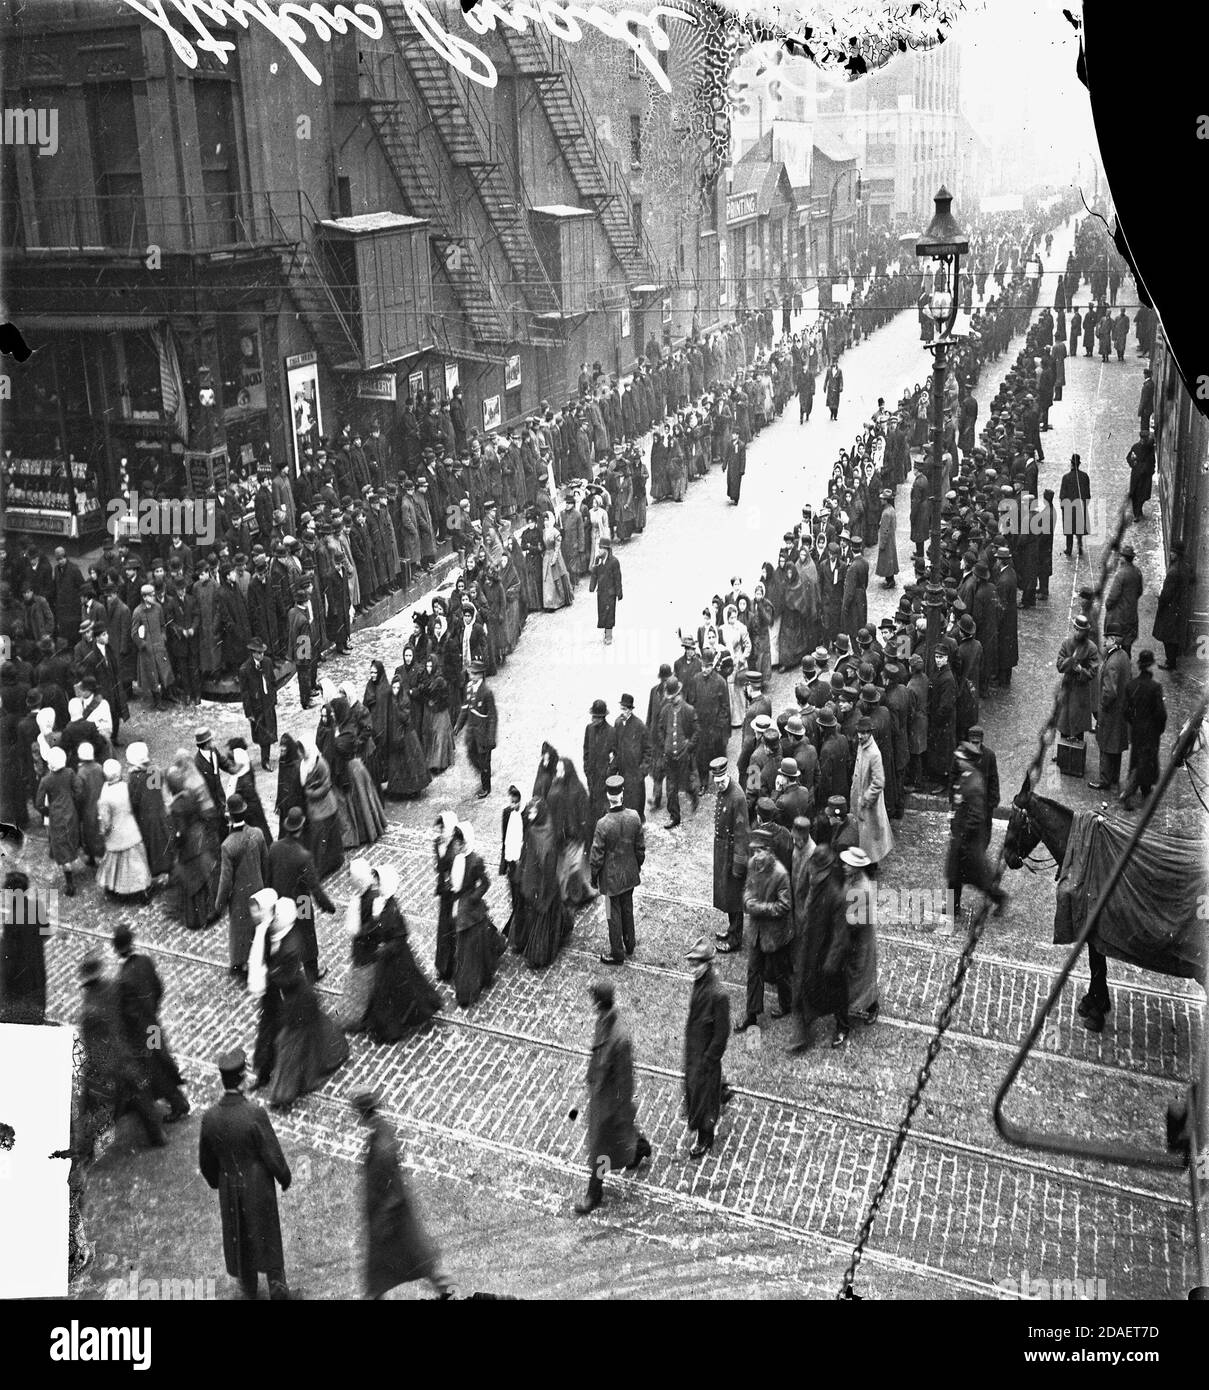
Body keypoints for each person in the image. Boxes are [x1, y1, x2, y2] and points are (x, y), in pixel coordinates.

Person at [198, 1046, 293, 1300]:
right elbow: (271, 1153)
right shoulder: (254, 1114)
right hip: (258, 1184)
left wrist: (218, 1181)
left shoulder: (210, 1118)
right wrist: (284, 1177)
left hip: (229, 1185)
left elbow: (206, 1162)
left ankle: (248, 1287)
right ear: (242, 1079)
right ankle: (277, 1287)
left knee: (239, 1235)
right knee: (267, 1233)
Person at [351, 1090, 456, 1300]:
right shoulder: (382, 1129)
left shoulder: (381, 1146)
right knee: (421, 1261)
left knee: (407, 1264)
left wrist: (381, 1223)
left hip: (390, 1221)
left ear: (362, 1112)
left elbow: (390, 1189)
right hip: (393, 1218)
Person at [261, 894, 348, 1110]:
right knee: (305, 1036)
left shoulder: (290, 944)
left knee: (290, 1045)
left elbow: (285, 976)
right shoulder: (281, 936)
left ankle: (284, 1093)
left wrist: (267, 973)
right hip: (295, 998)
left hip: (296, 1000)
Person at [573, 979, 652, 1215]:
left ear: (601, 1002)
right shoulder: (604, 1021)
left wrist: (621, 1109)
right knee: (619, 1137)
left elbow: (625, 1081)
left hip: (611, 1103)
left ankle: (594, 1194)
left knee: (600, 1150)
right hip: (602, 1097)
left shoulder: (620, 1037)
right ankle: (640, 1148)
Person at [77, 954, 166, 1153]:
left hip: (105, 1066)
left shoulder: (87, 1012)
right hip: (126, 1057)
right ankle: (157, 1136)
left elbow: (92, 1048)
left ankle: (86, 1148)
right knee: (142, 1096)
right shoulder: (114, 988)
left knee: (94, 1107)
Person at [112, 921, 189, 1122]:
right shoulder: (145, 961)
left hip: (141, 1034)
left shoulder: (124, 979)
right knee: (158, 1062)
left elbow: (127, 1014)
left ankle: (178, 1104)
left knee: (154, 1068)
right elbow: (158, 988)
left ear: (116, 948)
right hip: (152, 1025)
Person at [364, 865, 443, 1039]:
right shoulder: (379, 902)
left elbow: (400, 937)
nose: (375, 884)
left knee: (400, 988)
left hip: (395, 958)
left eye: (378, 881)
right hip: (385, 956)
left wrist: (383, 948)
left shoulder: (392, 909)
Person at [734, 825, 793, 1032]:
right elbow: (748, 888)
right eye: (754, 851)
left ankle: (787, 1004)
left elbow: (785, 906)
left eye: (760, 851)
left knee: (780, 973)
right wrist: (748, 901)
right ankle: (752, 1016)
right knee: (753, 971)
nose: (756, 856)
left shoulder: (781, 874)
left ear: (769, 851)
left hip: (775, 934)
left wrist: (758, 908)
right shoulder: (752, 865)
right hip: (757, 932)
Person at [269, 806, 336, 984]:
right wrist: (328, 906)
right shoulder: (303, 856)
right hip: (301, 901)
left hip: (280, 899)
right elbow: (314, 887)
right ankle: (312, 973)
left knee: (283, 935)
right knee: (308, 936)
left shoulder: (274, 847)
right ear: (301, 827)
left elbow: (268, 875)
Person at [945, 742, 1008, 921]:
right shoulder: (967, 776)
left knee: (980, 879)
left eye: (960, 759)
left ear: (968, 761)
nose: (957, 761)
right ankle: (953, 907)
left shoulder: (973, 783)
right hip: (961, 837)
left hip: (968, 841)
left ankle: (1000, 898)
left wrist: (963, 837)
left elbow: (976, 816)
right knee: (954, 875)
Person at [212, 794, 270, 978]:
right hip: (258, 887)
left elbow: (225, 880)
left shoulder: (228, 846)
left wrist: (218, 904)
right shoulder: (257, 834)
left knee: (240, 932)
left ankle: (241, 963)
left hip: (240, 896)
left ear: (229, 816)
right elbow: (265, 863)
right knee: (258, 925)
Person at [682, 936, 730, 1158]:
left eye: (697, 965)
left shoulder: (718, 994)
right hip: (695, 1051)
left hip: (705, 1058)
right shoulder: (702, 982)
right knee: (699, 1093)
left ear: (707, 964)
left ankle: (705, 1138)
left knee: (705, 1099)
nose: (693, 969)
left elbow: (721, 1034)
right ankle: (721, 1088)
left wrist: (709, 1060)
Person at [590, 773, 645, 965]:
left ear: (608, 796)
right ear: (622, 793)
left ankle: (617, 952)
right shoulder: (634, 817)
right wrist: (636, 866)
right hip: (629, 875)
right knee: (627, 908)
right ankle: (630, 943)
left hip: (610, 880)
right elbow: (640, 850)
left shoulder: (602, 824)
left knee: (612, 914)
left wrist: (593, 877)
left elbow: (596, 857)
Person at [96, 759, 152, 902]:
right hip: (131, 830)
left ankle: (112, 888)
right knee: (137, 864)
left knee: (113, 865)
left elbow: (106, 821)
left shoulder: (105, 795)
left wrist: (103, 831)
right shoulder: (126, 787)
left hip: (115, 834)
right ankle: (142, 892)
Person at [710, 757, 749, 953]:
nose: (719, 786)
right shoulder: (724, 791)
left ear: (728, 775)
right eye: (716, 782)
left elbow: (742, 833)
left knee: (735, 896)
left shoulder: (738, 797)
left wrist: (739, 864)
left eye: (721, 781)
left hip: (733, 854)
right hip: (723, 851)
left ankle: (735, 938)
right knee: (727, 893)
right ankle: (731, 928)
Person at [1120, 650, 1167, 810]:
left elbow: (1125, 710)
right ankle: (1133, 791)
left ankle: (1138, 787)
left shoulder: (1131, 685)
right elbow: (1161, 713)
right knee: (1148, 760)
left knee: (1137, 758)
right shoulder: (1155, 687)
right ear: (1151, 666)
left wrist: (1134, 722)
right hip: (1151, 731)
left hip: (1137, 729)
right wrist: (1159, 729)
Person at [338, 858, 379, 1033]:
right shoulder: (367, 894)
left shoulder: (368, 898)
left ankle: (359, 1019)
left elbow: (365, 927)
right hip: (365, 949)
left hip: (366, 950)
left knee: (363, 983)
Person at [839, 847, 879, 1025]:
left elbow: (859, 919)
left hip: (860, 939)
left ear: (856, 867)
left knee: (863, 974)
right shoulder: (852, 880)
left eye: (848, 865)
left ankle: (872, 1006)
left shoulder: (863, 888)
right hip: (852, 936)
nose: (844, 866)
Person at [1089, 628, 1131, 793]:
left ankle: (1104, 779)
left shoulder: (1112, 662)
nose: (1104, 641)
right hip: (1121, 710)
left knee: (1106, 744)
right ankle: (1114, 776)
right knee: (1116, 744)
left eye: (1107, 639)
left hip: (1110, 711)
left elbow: (1110, 691)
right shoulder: (1123, 656)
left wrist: (1102, 707)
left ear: (1113, 640)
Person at [850, 716, 893, 872]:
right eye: (859, 732)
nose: (860, 736)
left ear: (870, 733)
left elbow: (879, 782)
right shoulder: (862, 746)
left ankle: (871, 867)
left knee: (871, 837)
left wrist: (866, 799)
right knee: (864, 835)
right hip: (860, 796)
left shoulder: (874, 753)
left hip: (869, 803)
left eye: (864, 733)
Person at [656, 675, 697, 828]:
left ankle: (693, 795)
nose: (672, 700)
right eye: (670, 697)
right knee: (671, 788)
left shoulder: (689, 710)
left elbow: (696, 731)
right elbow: (660, 729)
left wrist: (689, 746)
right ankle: (675, 816)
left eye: (674, 697)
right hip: (669, 756)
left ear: (679, 694)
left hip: (683, 755)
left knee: (686, 783)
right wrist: (664, 744)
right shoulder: (665, 710)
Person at [454, 661, 497, 799]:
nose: (470, 675)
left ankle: (486, 787)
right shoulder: (469, 687)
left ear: (480, 675)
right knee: (471, 754)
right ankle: (484, 772)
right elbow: (465, 708)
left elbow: (492, 717)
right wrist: (458, 726)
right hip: (472, 731)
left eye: (473, 673)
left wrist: (491, 737)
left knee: (484, 761)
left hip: (483, 733)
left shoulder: (487, 692)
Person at [238, 637, 278, 772]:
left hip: (268, 703)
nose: (262, 655)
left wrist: (274, 699)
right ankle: (265, 760)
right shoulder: (245, 669)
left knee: (270, 731)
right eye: (259, 653)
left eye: (263, 652)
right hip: (256, 706)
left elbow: (272, 681)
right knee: (262, 734)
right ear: (253, 653)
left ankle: (266, 757)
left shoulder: (267, 662)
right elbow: (244, 693)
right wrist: (248, 712)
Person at [1153, 541, 1191, 670]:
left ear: (1177, 554)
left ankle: (1170, 662)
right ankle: (1172, 660)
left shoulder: (1173, 571)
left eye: (1173, 552)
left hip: (1170, 607)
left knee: (1167, 636)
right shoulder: (1185, 567)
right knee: (1174, 635)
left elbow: (1166, 594)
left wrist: (1160, 599)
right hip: (1180, 606)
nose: (1170, 554)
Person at [1104, 544, 1143, 654]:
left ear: (1124, 558)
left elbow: (1113, 596)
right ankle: (1126, 659)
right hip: (1131, 612)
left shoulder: (1121, 574)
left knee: (1116, 638)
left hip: (1119, 614)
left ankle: (1117, 660)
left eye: (1121, 557)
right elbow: (1139, 591)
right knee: (1128, 639)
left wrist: (1108, 605)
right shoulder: (1137, 572)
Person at [589, 538, 623, 645]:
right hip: (601, 593)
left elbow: (618, 578)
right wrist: (595, 565)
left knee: (609, 614)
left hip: (610, 593)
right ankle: (606, 632)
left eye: (601, 549)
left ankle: (609, 636)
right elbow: (594, 576)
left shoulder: (614, 562)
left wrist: (619, 593)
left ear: (606, 550)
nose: (599, 551)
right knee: (603, 613)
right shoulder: (599, 562)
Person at [1127, 429, 1155, 522]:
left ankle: (1139, 510)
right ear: (1141, 438)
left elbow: (1153, 461)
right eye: (1143, 439)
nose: (1144, 441)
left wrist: (1151, 471)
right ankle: (1136, 514)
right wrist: (1133, 464)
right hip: (1136, 475)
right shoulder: (1136, 447)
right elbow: (1129, 457)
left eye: (1146, 439)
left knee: (1144, 495)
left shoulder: (1150, 449)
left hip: (1146, 476)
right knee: (1135, 494)